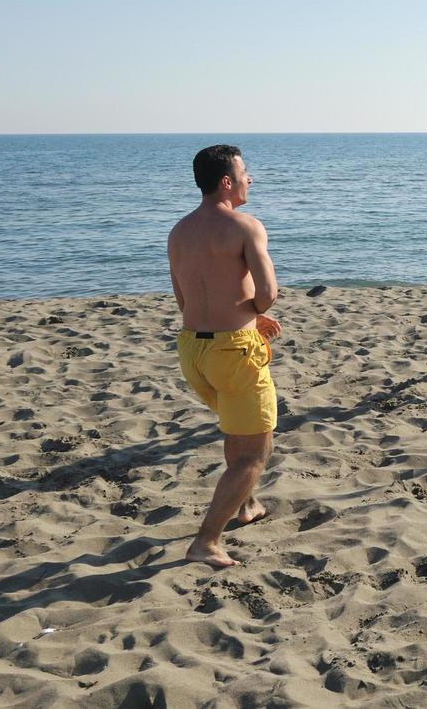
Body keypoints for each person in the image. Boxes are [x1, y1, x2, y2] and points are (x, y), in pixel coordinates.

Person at [167, 145, 281, 569]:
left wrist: (245, 317)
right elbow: (267, 296)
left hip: (192, 348)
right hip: (232, 350)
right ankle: (206, 542)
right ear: (227, 182)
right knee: (253, 452)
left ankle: (247, 505)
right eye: (245, 172)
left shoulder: (179, 231)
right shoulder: (245, 227)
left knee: (237, 428)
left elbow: (185, 300)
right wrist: (251, 315)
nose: (251, 179)